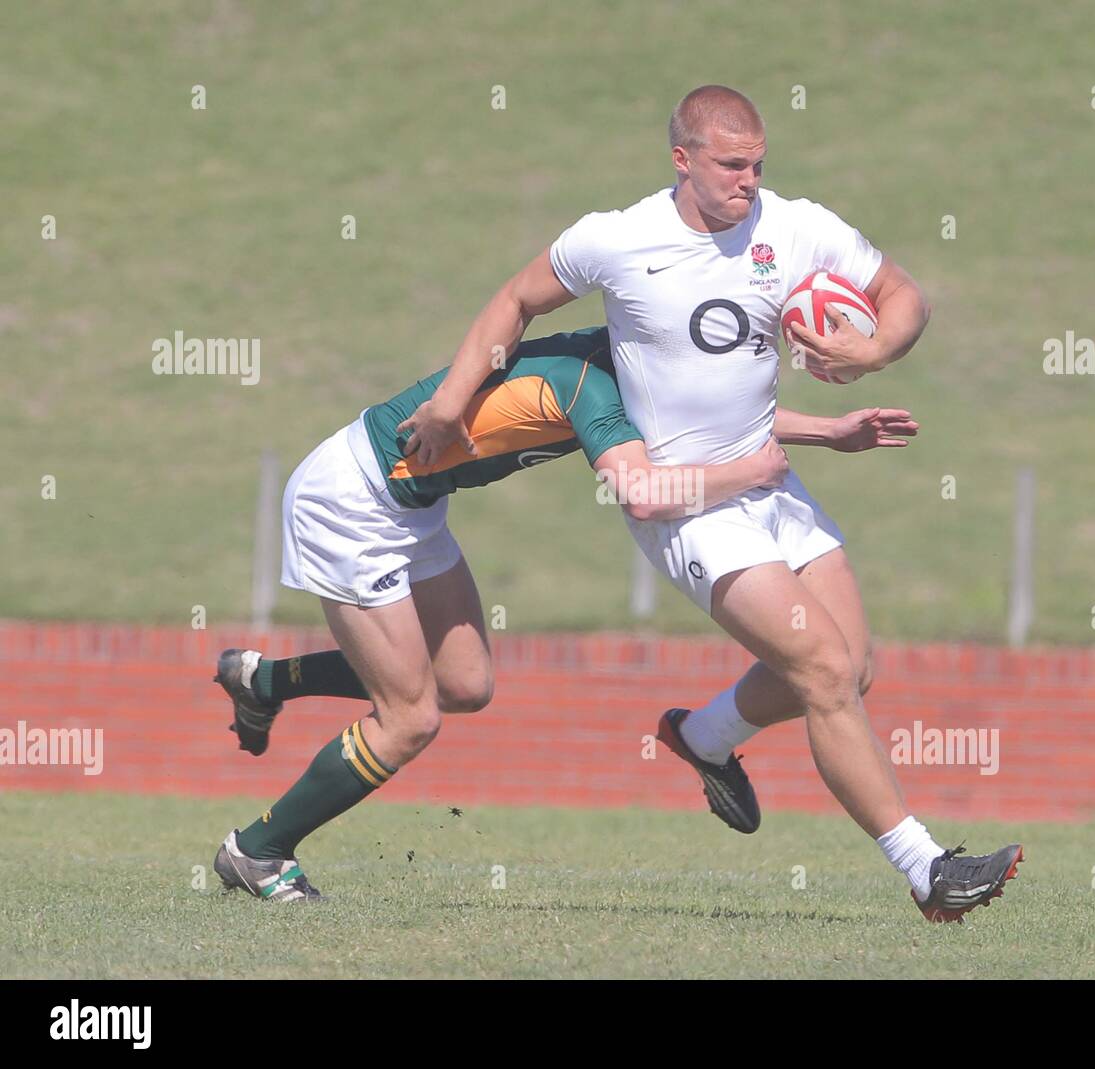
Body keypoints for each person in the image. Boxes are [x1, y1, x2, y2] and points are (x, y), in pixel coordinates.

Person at [397, 86, 1022, 923]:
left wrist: (867, 352)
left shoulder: (796, 227)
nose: (749, 180)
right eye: (731, 164)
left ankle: (702, 737)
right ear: (682, 159)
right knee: (825, 670)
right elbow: (515, 301)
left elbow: (906, 297)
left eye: (759, 163)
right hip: (689, 504)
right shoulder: (618, 239)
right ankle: (927, 870)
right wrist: (450, 402)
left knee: (855, 666)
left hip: (771, 480)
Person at [211, 325, 918, 902]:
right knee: (411, 716)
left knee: (464, 685)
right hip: (351, 502)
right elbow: (641, 490)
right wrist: (751, 472)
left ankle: (268, 682)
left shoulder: (630, 364)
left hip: (413, 509)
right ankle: (259, 849)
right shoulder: (593, 383)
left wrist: (829, 431)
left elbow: (722, 424)